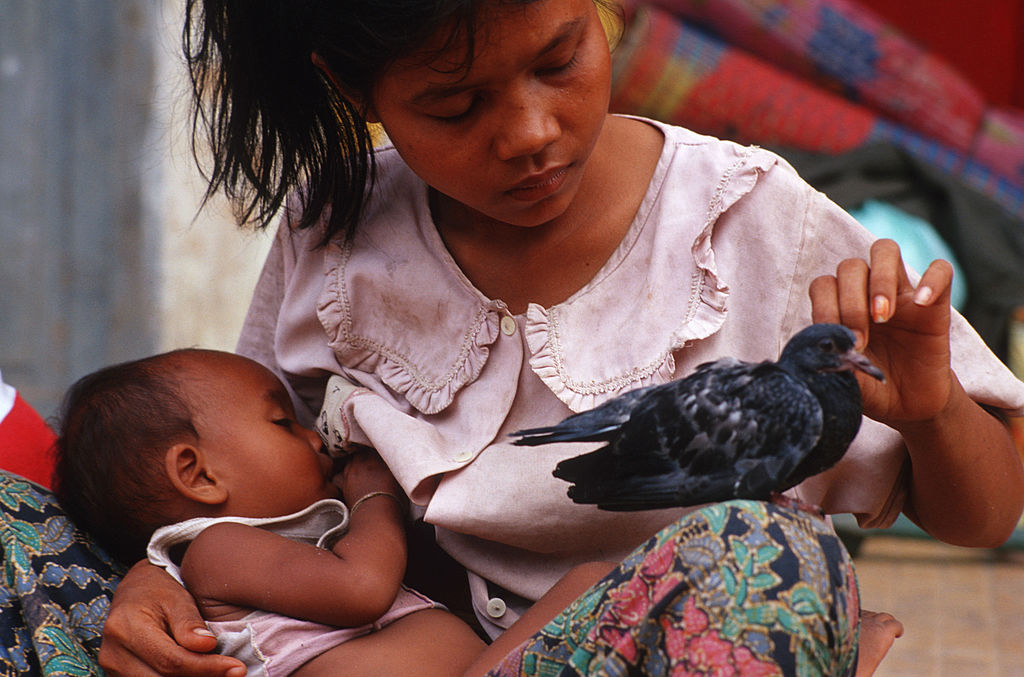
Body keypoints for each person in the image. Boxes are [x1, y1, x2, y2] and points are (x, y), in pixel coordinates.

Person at [90, 0, 1024, 675]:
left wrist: (935, 409)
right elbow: (248, 479)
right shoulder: (334, 231)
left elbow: (984, 514)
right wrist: (155, 575)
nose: (531, 133)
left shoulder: (750, 219)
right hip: (411, 658)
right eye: (456, 107)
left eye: (559, 59)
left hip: (680, 649)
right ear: (354, 88)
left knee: (759, 550)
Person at [51, 348, 487, 676]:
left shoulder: (287, 542)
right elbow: (361, 589)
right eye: (283, 422)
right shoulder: (216, 549)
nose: (316, 438)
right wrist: (375, 498)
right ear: (198, 475)